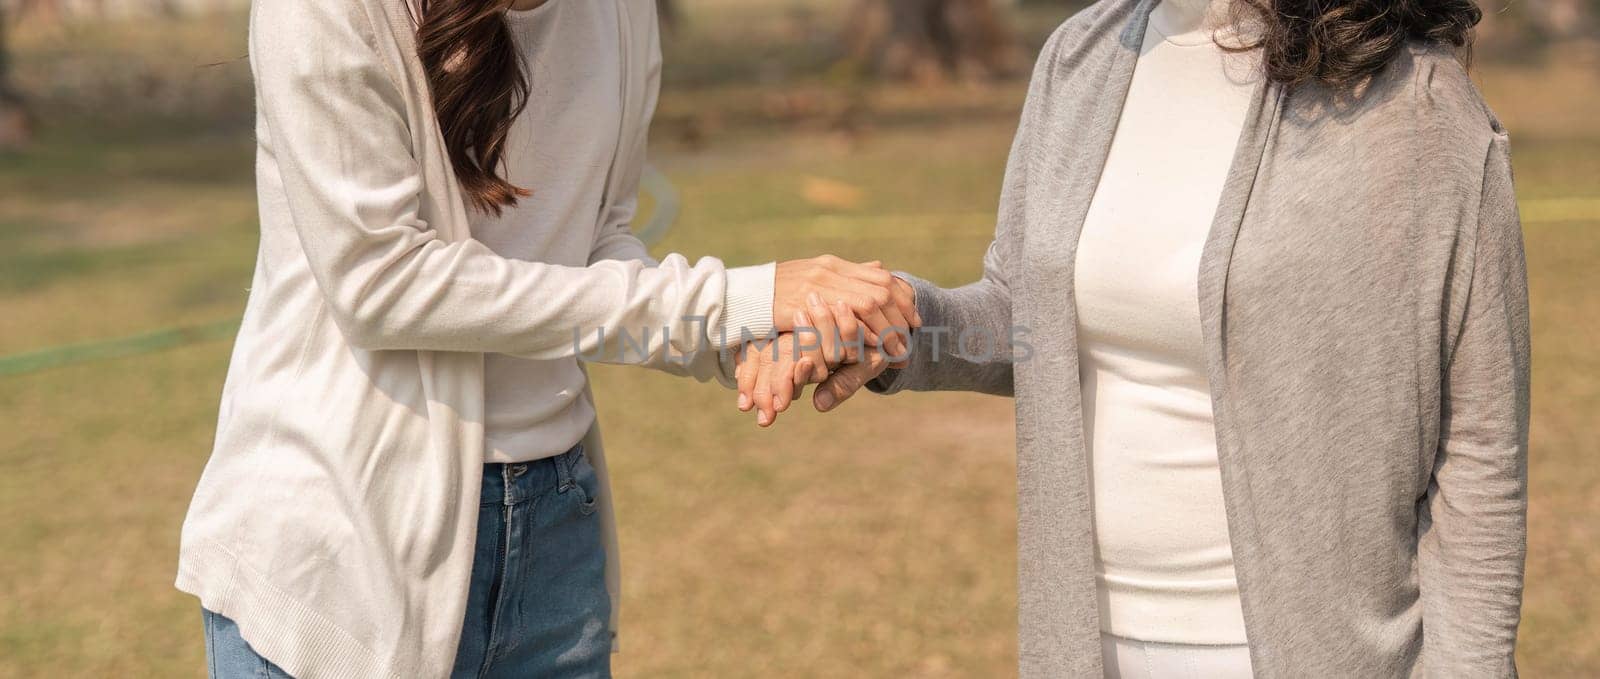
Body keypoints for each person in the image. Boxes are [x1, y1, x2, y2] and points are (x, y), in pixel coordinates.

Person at [748, 0, 1530, 676]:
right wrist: (892, 327)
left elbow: (1481, 451)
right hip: (1088, 644)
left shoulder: (1417, 105)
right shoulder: (1082, 56)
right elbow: (1028, 318)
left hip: (1311, 651)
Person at [175, 0, 915, 677]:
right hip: (339, 544)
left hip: (554, 535)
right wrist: (732, 299)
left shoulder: (620, 14)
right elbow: (383, 283)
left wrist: (746, 336)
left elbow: (592, 246)